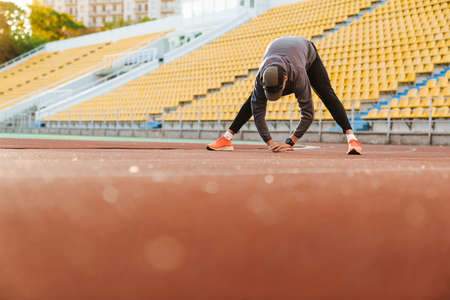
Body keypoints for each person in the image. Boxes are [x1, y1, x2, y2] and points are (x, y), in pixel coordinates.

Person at [206, 37, 362, 154]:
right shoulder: (261, 76)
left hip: (305, 52)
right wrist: (269, 141)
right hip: (279, 53)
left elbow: (308, 113)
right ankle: (227, 137)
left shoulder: (299, 75)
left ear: (286, 81)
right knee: (253, 100)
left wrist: (290, 141)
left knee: (326, 93)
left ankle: (351, 138)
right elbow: (258, 111)